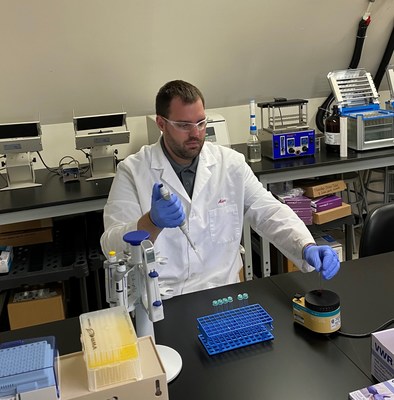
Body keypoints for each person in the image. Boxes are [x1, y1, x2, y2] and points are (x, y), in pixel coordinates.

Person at [100, 80, 340, 296]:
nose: (196, 133)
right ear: (161, 123)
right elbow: (110, 245)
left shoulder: (230, 163)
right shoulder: (132, 171)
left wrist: (306, 245)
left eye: (201, 123)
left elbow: (268, 212)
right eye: (184, 125)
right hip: (161, 299)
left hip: (223, 293)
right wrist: (151, 222)